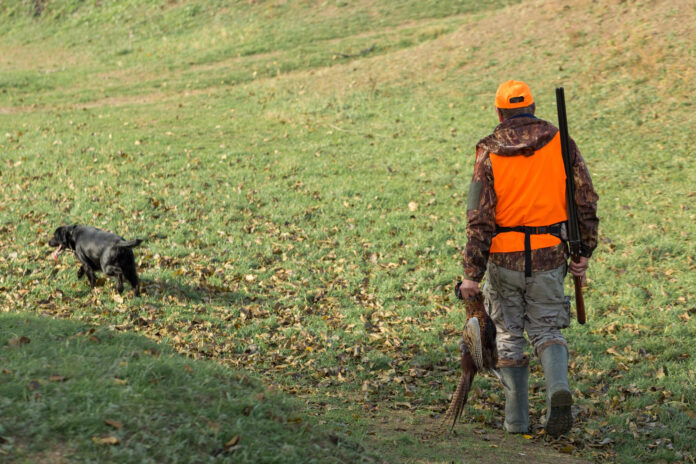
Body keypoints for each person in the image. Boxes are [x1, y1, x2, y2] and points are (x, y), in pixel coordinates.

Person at [458, 80, 599, 437]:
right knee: (547, 328)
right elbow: (585, 199)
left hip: (504, 260)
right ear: (533, 108)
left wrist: (471, 273)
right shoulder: (560, 142)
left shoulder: (487, 152)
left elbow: (479, 217)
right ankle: (557, 391)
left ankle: (516, 421)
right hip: (550, 253)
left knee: (507, 333)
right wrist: (584, 250)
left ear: (499, 112)